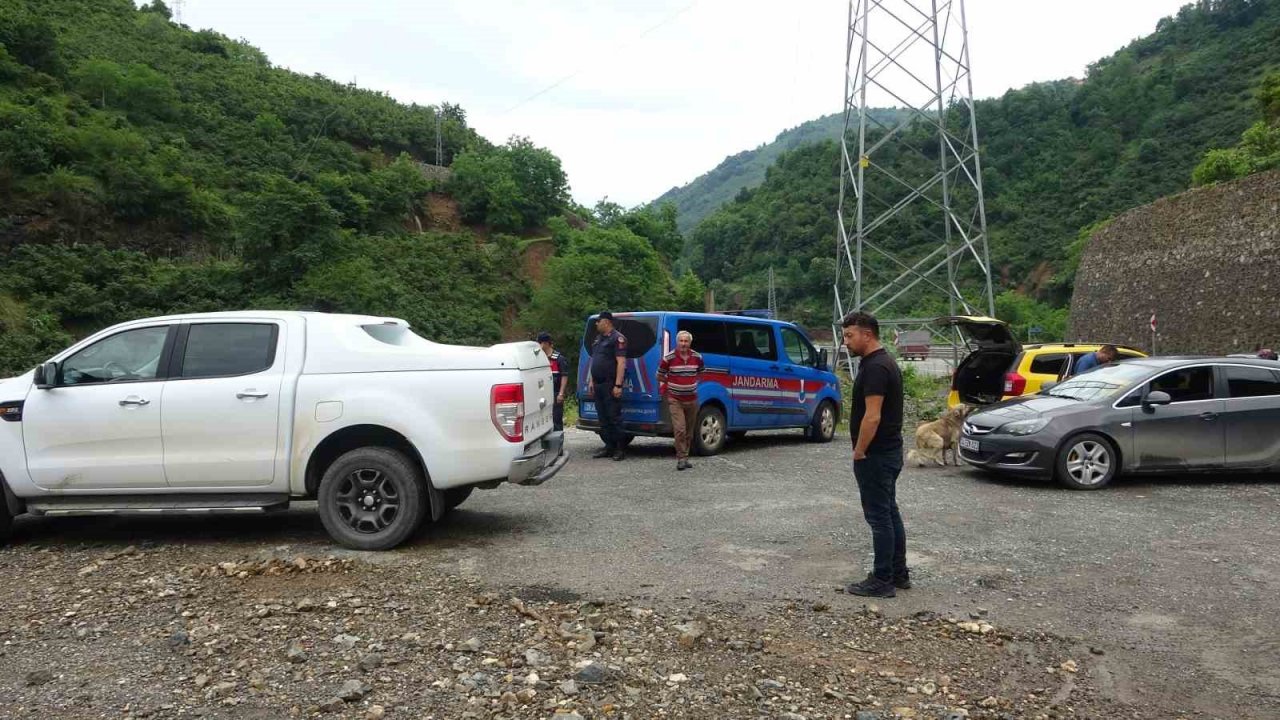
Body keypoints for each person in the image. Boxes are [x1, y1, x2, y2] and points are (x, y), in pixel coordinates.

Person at [842, 311, 907, 599]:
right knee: (889, 512)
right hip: (888, 451)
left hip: (877, 454)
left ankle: (882, 579)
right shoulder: (882, 362)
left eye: (849, 335)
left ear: (867, 335)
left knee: (879, 516)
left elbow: (872, 417)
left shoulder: (876, 368)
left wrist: (859, 450)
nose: (845, 342)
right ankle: (898, 573)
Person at [657, 330, 704, 471]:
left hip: (692, 399)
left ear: (690, 343)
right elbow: (659, 375)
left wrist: (692, 384)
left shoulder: (697, 357)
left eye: (686, 341)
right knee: (680, 429)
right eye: (681, 341)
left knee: (689, 431)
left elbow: (701, 373)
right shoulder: (669, 358)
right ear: (677, 342)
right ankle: (681, 458)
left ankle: (686, 455)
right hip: (675, 399)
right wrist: (671, 382)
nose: (683, 344)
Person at [586, 311, 628, 461]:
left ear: (607, 322)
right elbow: (594, 361)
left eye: (599, 321)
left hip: (610, 384)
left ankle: (620, 449)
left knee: (614, 417)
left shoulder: (618, 339)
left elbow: (621, 362)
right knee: (602, 418)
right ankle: (608, 446)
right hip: (598, 384)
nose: (596, 324)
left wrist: (618, 385)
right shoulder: (598, 339)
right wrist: (591, 381)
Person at [537, 332, 567, 431]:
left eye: (540, 343)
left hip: (556, 393)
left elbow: (564, 376)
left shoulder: (559, 359)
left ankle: (558, 443)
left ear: (545, 343)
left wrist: (561, 393)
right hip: (543, 394)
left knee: (556, 419)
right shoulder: (540, 359)